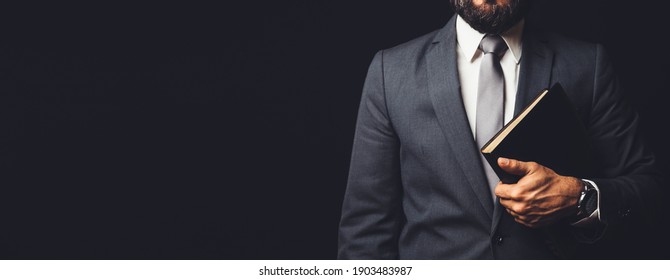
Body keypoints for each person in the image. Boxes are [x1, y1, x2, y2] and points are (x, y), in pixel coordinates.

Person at [338, 0, 663, 259]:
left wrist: (578, 197)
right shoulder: (390, 71)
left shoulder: (586, 65)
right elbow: (366, 228)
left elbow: (649, 191)